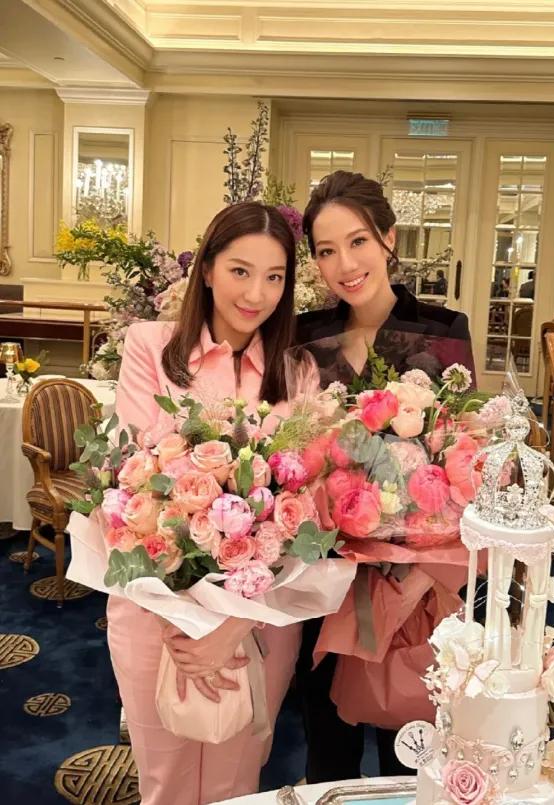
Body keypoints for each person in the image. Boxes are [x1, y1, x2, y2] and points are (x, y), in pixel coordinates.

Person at [108, 202, 300, 805]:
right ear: (209, 269)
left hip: (260, 620)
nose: (257, 294)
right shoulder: (150, 346)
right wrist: (186, 624)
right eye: (241, 271)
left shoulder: (297, 372)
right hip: (155, 616)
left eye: (274, 277)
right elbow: (131, 482)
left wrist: (231, 628)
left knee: (236, 786)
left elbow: (306, 512)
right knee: (162, 784)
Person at [294, 170, 474, 783]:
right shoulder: (305, 337)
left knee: (414, 747)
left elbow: (463, 456)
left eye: (358, 241)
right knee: (329, 748)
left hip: (418, 583)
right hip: (328, 577)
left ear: (388, 238)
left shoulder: (443, 330)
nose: (345, 264)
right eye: (326, 250)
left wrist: (417, 576)